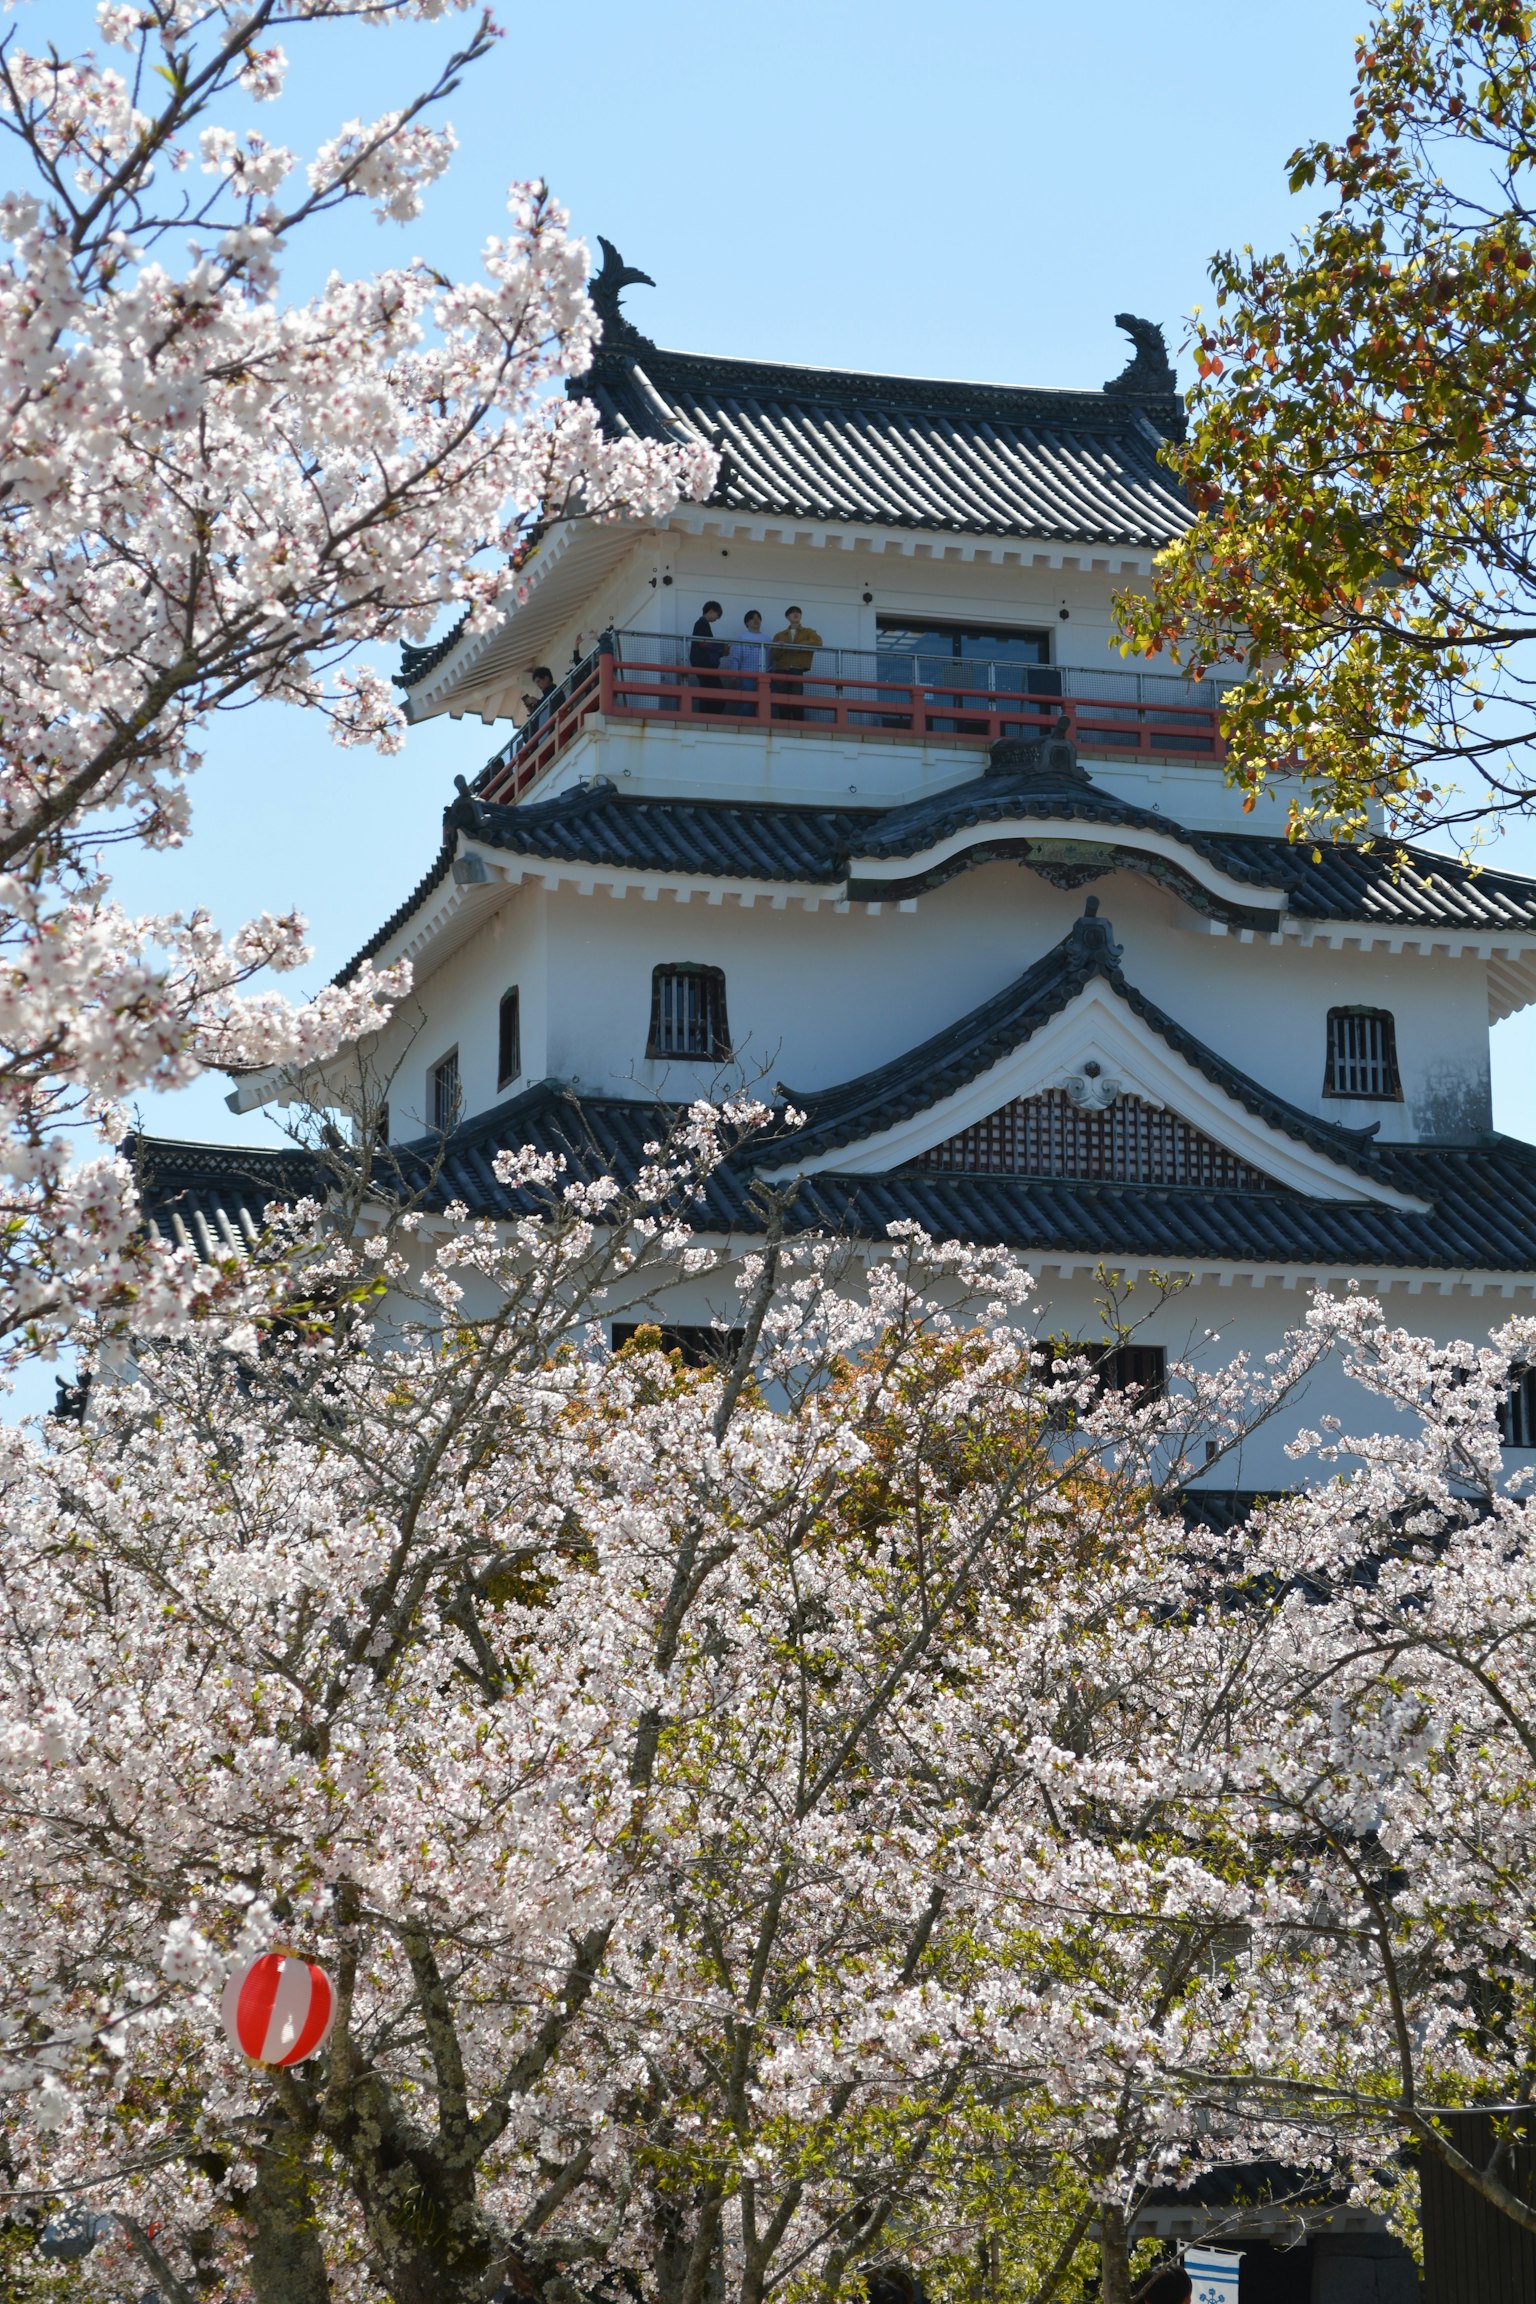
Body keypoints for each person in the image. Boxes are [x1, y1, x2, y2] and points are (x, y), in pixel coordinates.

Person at [771, 604, 823, 719]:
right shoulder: (779, 635)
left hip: (797, 668)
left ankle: (798, 723)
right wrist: (780, 647)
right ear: (787, 617)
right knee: (782, 698)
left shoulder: (808, 632)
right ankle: (784, 722)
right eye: (792, 612)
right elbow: (774, 656)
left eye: (798, 612)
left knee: (797, 697)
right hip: (781, 669)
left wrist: (798, 645)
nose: (795, 614)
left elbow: (818, 642)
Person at [728, 609, 769, 716]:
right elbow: (735, 658)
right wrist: (733, 676)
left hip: (764, 677)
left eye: (758, 618)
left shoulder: (768, 639)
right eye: (752, 618)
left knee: (763, 705)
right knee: (746, 704)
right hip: (746, 675)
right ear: (746, 622)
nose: (756, 620)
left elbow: (772, 660)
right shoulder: (741, 637)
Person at [690, 600, 728, 712]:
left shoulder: (701, 624)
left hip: (702, 663)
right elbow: (704, 643)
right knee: (715, 693)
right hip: (704, 665)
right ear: (711, 611)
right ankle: (708, 714)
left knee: (708, 691)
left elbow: (706, 646)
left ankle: (706, 714)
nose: (716, 619)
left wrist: (721, 652)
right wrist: (722, 647)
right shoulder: (701, 624)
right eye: (717, 615)